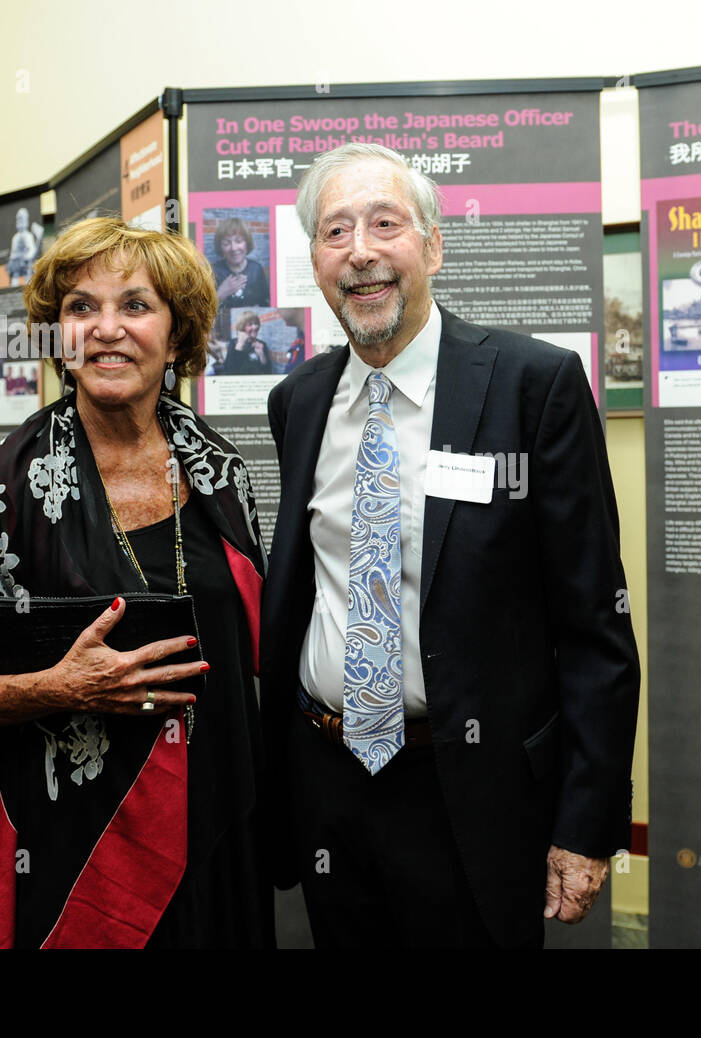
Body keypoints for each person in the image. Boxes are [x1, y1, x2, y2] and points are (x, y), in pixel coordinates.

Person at [261, 143, 640, 948]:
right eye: (335, 232)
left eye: (384, 224)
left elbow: (594, 627)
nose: (360, 251)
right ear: (317, 265)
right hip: (329, 777)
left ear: (432, 245)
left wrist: (585, 822)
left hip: (473, 792)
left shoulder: (533, 386)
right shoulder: (297, 402)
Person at [0, 217, 273, 949]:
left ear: (177, 336)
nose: (107, 329)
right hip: (75, 849)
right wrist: (62, 688)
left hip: (217, 819)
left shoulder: (222, 470)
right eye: (81, 308)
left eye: (135, 306)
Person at [210, 216, 270, 315]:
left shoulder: (256, 269)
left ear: (247, 243)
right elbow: (204, 312)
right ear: (220, 247)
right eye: (226, 243)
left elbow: (265, 305)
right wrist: (221, 294)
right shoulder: (214, 271)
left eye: (238, 241)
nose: (234, 248)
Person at [221, 310, 273, 375]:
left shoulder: (262, 344)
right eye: (250, 324)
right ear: (242, 327)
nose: (255, 327)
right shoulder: (233, 343)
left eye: (256, 323)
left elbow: (268, 372)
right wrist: (240, 345)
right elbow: (229, 371)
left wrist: (261, 355)